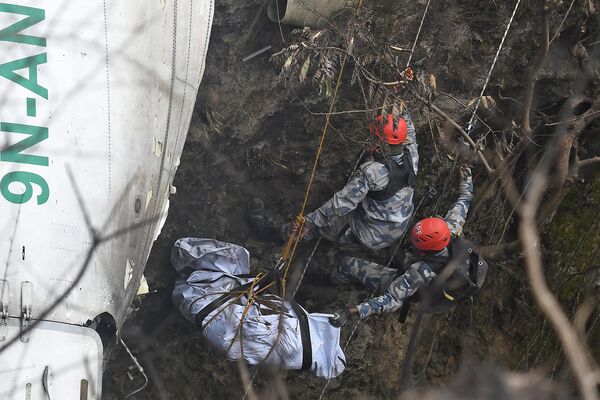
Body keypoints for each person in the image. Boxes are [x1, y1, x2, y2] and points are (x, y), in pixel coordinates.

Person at [328, 165, 487, 327]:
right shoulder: (451, 228)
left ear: (425, 249)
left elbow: (392, 299)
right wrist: (466, 173)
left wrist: (351, 312)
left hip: (415, 288)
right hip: (416, 262)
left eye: (416, 242)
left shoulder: (421, 272)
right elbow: (465, 198)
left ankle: (330, 282)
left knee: (348, 264)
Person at [172, 237, 346, 378]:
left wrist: (251, 294)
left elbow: (252, 327)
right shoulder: (301, 346)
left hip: (223, 320)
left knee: (234, 257)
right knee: (230, 275)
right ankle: (183, 278)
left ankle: (178, 262)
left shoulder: (296, 347)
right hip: (226, 323)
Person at [248, 111, 419, 250]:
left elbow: (342, 203)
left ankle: (272, 235)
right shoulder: (411, 155)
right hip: (398, 224)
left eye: (373, 137)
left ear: (379, 142)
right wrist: (402, 110)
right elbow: (409, 129)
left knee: (315, 226)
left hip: (370, 233)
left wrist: (309, 221)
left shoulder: (373, 172)